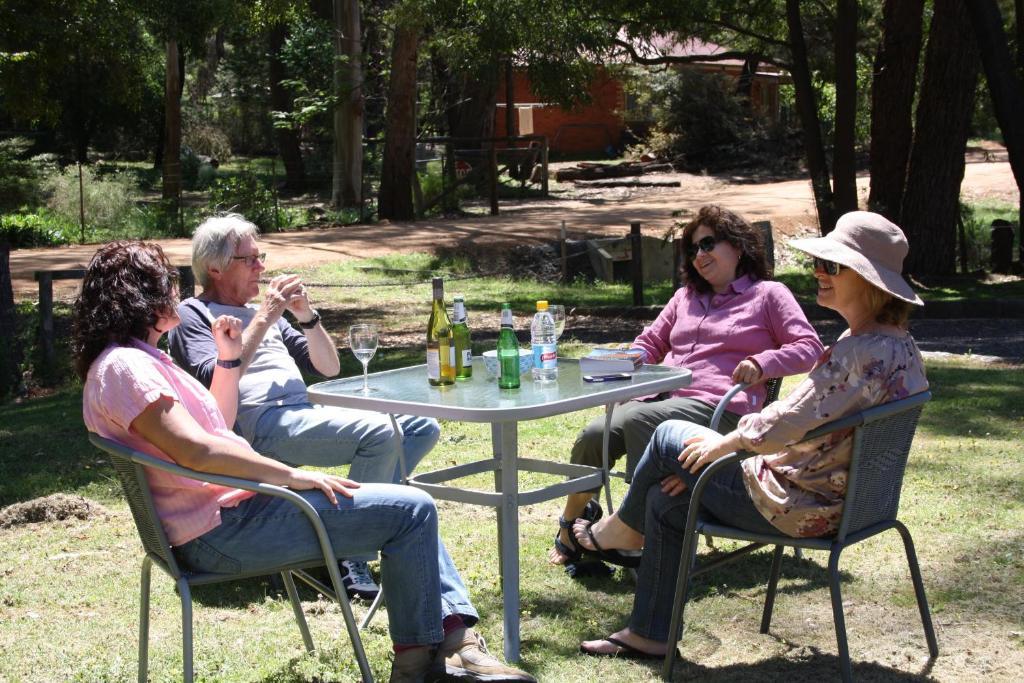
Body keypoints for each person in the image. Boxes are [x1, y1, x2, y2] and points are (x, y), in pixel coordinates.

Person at [75, 241, 534, 683]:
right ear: (140, 297)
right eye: (164, 283)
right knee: (411, 511)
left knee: (404, 504)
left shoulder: (138, 360)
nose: (175, 290)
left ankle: (447, 648)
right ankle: (432, 661)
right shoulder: (125, 367)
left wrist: (230, 360)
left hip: (225, 517)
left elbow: (219, 422)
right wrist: (292, 476)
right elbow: (197, 450)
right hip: (222, 531)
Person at [573, 211, 929, 658]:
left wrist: (726, 444)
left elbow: (784, 424)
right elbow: (809, 421)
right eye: (821, 263)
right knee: (667, 500)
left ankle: (619, 531)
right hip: (845, 501)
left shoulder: (860, 353)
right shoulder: (899, 346)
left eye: (832, 266)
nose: (819, 272)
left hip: (797, 504)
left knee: (666, 435)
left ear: (868, 281)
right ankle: (652, 634)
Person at [168, 214, 440, 599]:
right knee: (381, 434)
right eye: (250, 259)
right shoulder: (192, 315)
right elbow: (213, 374)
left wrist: (306, 317)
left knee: (420, 426)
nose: (261, 268)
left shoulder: (270, 316)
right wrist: (265, 316)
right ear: (215, 267)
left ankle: (348, 529)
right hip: (256, 424)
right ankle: (347, 555)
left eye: (262, 257)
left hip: (301, 413)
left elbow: (327, 368)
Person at [550, 205, 823, 566]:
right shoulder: (685, 298)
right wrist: (616, 362)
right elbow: (649, 344)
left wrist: (762, 362)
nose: (700, 255)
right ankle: (571, 525)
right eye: (693, 249)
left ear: (737, 246)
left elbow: (810, 348)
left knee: (638, 422)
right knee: (594, 433)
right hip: (666, 400)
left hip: (721, 411)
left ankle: (635, 531)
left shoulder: (769, 295)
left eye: (708, 244)